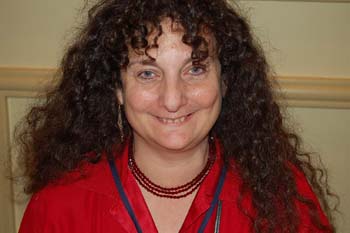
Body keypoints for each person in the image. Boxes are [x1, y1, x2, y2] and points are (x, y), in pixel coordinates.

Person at [17, 0, 336, 232]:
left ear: (225, 81)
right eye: (147, 73)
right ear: (117, 87)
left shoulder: (281, 198)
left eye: (195, 69)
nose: (172, 99)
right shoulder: (59, 206)